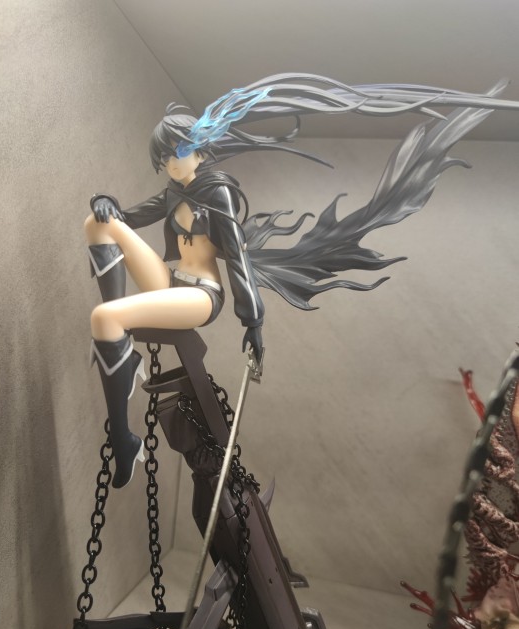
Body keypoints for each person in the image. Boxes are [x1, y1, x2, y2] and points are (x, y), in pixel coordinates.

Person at [85, 73, 519, 488]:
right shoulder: (172, 193)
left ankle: (123, 435)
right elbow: (126, 218)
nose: (169, 164)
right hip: (167, 282)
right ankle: (121, 342)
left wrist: (253, 322)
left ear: (197, 147)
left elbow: (237, 258)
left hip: (200, 296)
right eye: (162, 159)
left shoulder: (217, 193)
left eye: (175, 153)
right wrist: (106, 201)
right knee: (99, 223)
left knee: (105, 318)